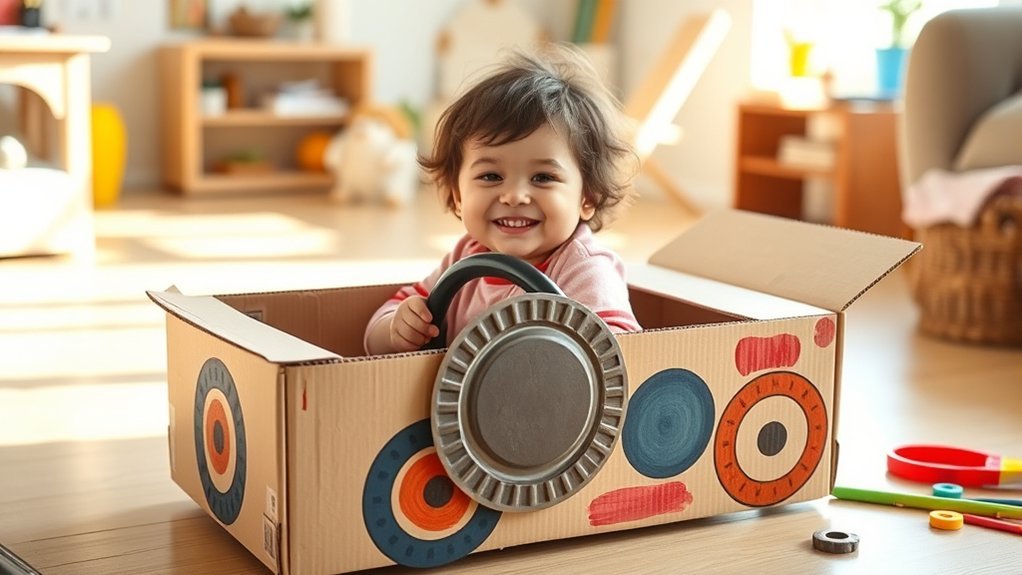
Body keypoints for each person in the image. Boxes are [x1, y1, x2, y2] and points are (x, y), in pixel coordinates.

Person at [364, 44, 641, 355]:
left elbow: (617, 355)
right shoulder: (464, 257)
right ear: (457, 196)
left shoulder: (583, 269)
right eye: (491, 176)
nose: (514, 196)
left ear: (588, 197)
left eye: (542, 178)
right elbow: (378, 332)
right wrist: (397, 329)